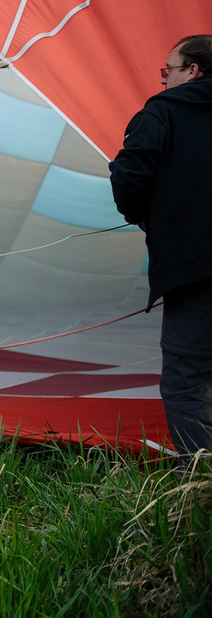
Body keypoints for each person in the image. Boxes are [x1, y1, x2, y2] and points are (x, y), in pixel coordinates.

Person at [110, 34, 212, 465]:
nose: (164, 79)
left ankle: (201, 490)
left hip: (197, 269)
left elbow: (128, 175)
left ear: (192, 71)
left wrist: (143, 217)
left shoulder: (164, 110)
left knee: (186, 380)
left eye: (167, 70)